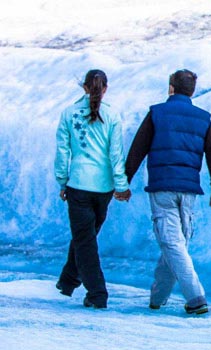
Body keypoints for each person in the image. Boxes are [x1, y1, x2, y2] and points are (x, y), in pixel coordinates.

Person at [125, 69, 211, 315]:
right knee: (175, 244)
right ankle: (158, 297)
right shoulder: (203, 118)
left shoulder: (157, 113)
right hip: (188, 191)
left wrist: (123, 181)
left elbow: (138, 149)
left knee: (172, 243)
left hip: (162, 189)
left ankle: (196, 297)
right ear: (192, 91)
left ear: (171, 88)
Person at [54, 69, 132, 309]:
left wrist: (62, 181)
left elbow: (63, 151)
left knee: (84, 239)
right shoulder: (112, 115)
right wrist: (121, 185)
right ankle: (70, 281)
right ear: (105, 88)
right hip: (104, 188)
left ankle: (96, 293)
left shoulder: (68, 113)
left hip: (78, 184)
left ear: (84, 87)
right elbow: (116, 154)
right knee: (85, 236)